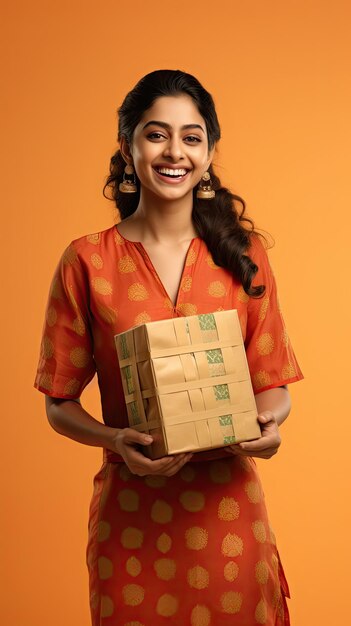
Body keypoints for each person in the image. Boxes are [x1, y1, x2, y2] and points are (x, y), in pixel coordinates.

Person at [35, 69, 303, 625]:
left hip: (230, 519)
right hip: (132, 520)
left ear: (208, 152)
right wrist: (115, 439)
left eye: (191, 136)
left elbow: (272, 383)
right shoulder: (87, 261)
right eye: (156, 134)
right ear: (128, 145)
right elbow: (58, 403)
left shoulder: (244, 253)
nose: (173, 151)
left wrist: (268, 425)